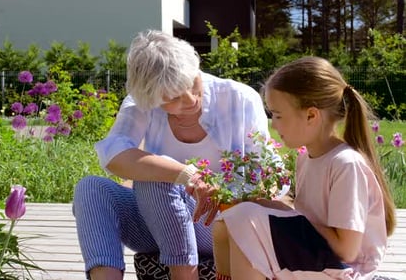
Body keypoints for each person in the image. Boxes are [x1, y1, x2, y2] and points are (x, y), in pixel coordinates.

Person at [72, 29, 270, 280]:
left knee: (155, 179)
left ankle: (185, 276)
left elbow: (265, 172)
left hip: (219, 224)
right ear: (151, 98)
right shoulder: (142, 103)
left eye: (192, 83)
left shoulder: (239, 99)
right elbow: (113, 154)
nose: (190, 100)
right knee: (90, 188)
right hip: (159, 221)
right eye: (173, 97)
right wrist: (187, 174)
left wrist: (216, 190)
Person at [212, 56, 397, 280]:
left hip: (344, 270)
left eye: (278, 115)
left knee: (244, 218)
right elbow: (306, 219)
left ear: (311, 115)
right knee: (228, 221)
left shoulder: (346, 164)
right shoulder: (306, 158)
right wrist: (273, 207)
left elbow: (347, 249)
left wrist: (285, 217)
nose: (274, 124)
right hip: (316, 259)